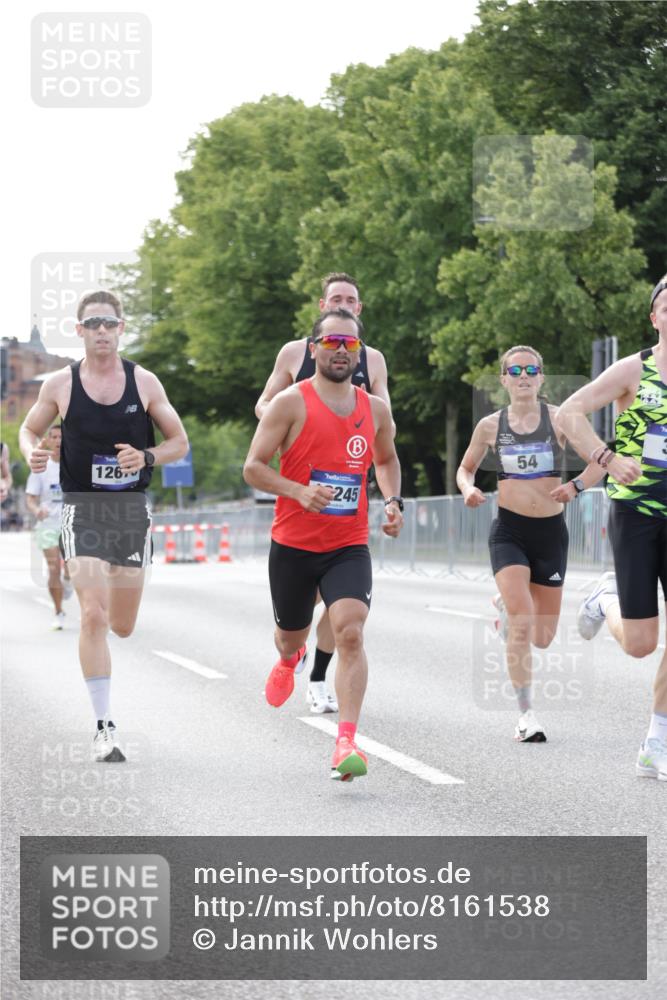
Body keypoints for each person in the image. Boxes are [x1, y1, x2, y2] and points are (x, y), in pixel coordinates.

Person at [20, 290, 188, 763]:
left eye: (109, 323)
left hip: (130, 511)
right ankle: (104, 727)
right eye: (92, 323)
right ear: (79, 331)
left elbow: (179, 441)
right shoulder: (61, 383)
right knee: (92, 615)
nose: (101, 331)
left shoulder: (144, 382)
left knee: (123, 626)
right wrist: (31, 450)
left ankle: (112, 605)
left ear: (120, 329)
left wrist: (147, 456)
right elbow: (29, 429)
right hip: (82, 507)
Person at [244, 308, 403, 781]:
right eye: (331, 342)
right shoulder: (289, 403)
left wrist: (393, 501)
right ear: (313, 349)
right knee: (291, 635)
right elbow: (253, 467)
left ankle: (346, 743)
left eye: (349, 344)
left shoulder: (375, 410)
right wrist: (297, 491)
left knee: (350, 631)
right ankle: (289, 658)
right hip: (293, 544)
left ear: (360, 354)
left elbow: (386, 459)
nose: (340, 350)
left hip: (347, 544)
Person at [456, 345, 604, 742]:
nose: (523, 377)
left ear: (541, 377)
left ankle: (508, 605)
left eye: (531, 370)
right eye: (516, 371)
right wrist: (468, 489)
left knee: (543, 637)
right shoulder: (490, 426)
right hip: (510, 531)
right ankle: (526, 716)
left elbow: (599, 461)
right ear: (503, 379)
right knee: (522, 622)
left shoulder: (560, 419)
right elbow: (465, 468)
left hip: (550, 534)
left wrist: (575, 486)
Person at [558, 276, 667, 780]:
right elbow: (570, 412)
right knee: (641, 643)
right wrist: (606, 458)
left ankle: (655, 743)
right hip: (637, 513)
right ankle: (606, 599)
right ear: (654, 317)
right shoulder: (633, 370)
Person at [25, 423, 73, 629]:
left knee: (70, 566)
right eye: (54, 437)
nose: (58, 441)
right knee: (53, 569)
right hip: (48, 525)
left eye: (62, 437)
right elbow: (30, 498)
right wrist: (36, 510)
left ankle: (68, 579)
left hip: (72, 524)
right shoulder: (40, 467)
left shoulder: (75, 465)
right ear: (48, 440)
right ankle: (58, 612)